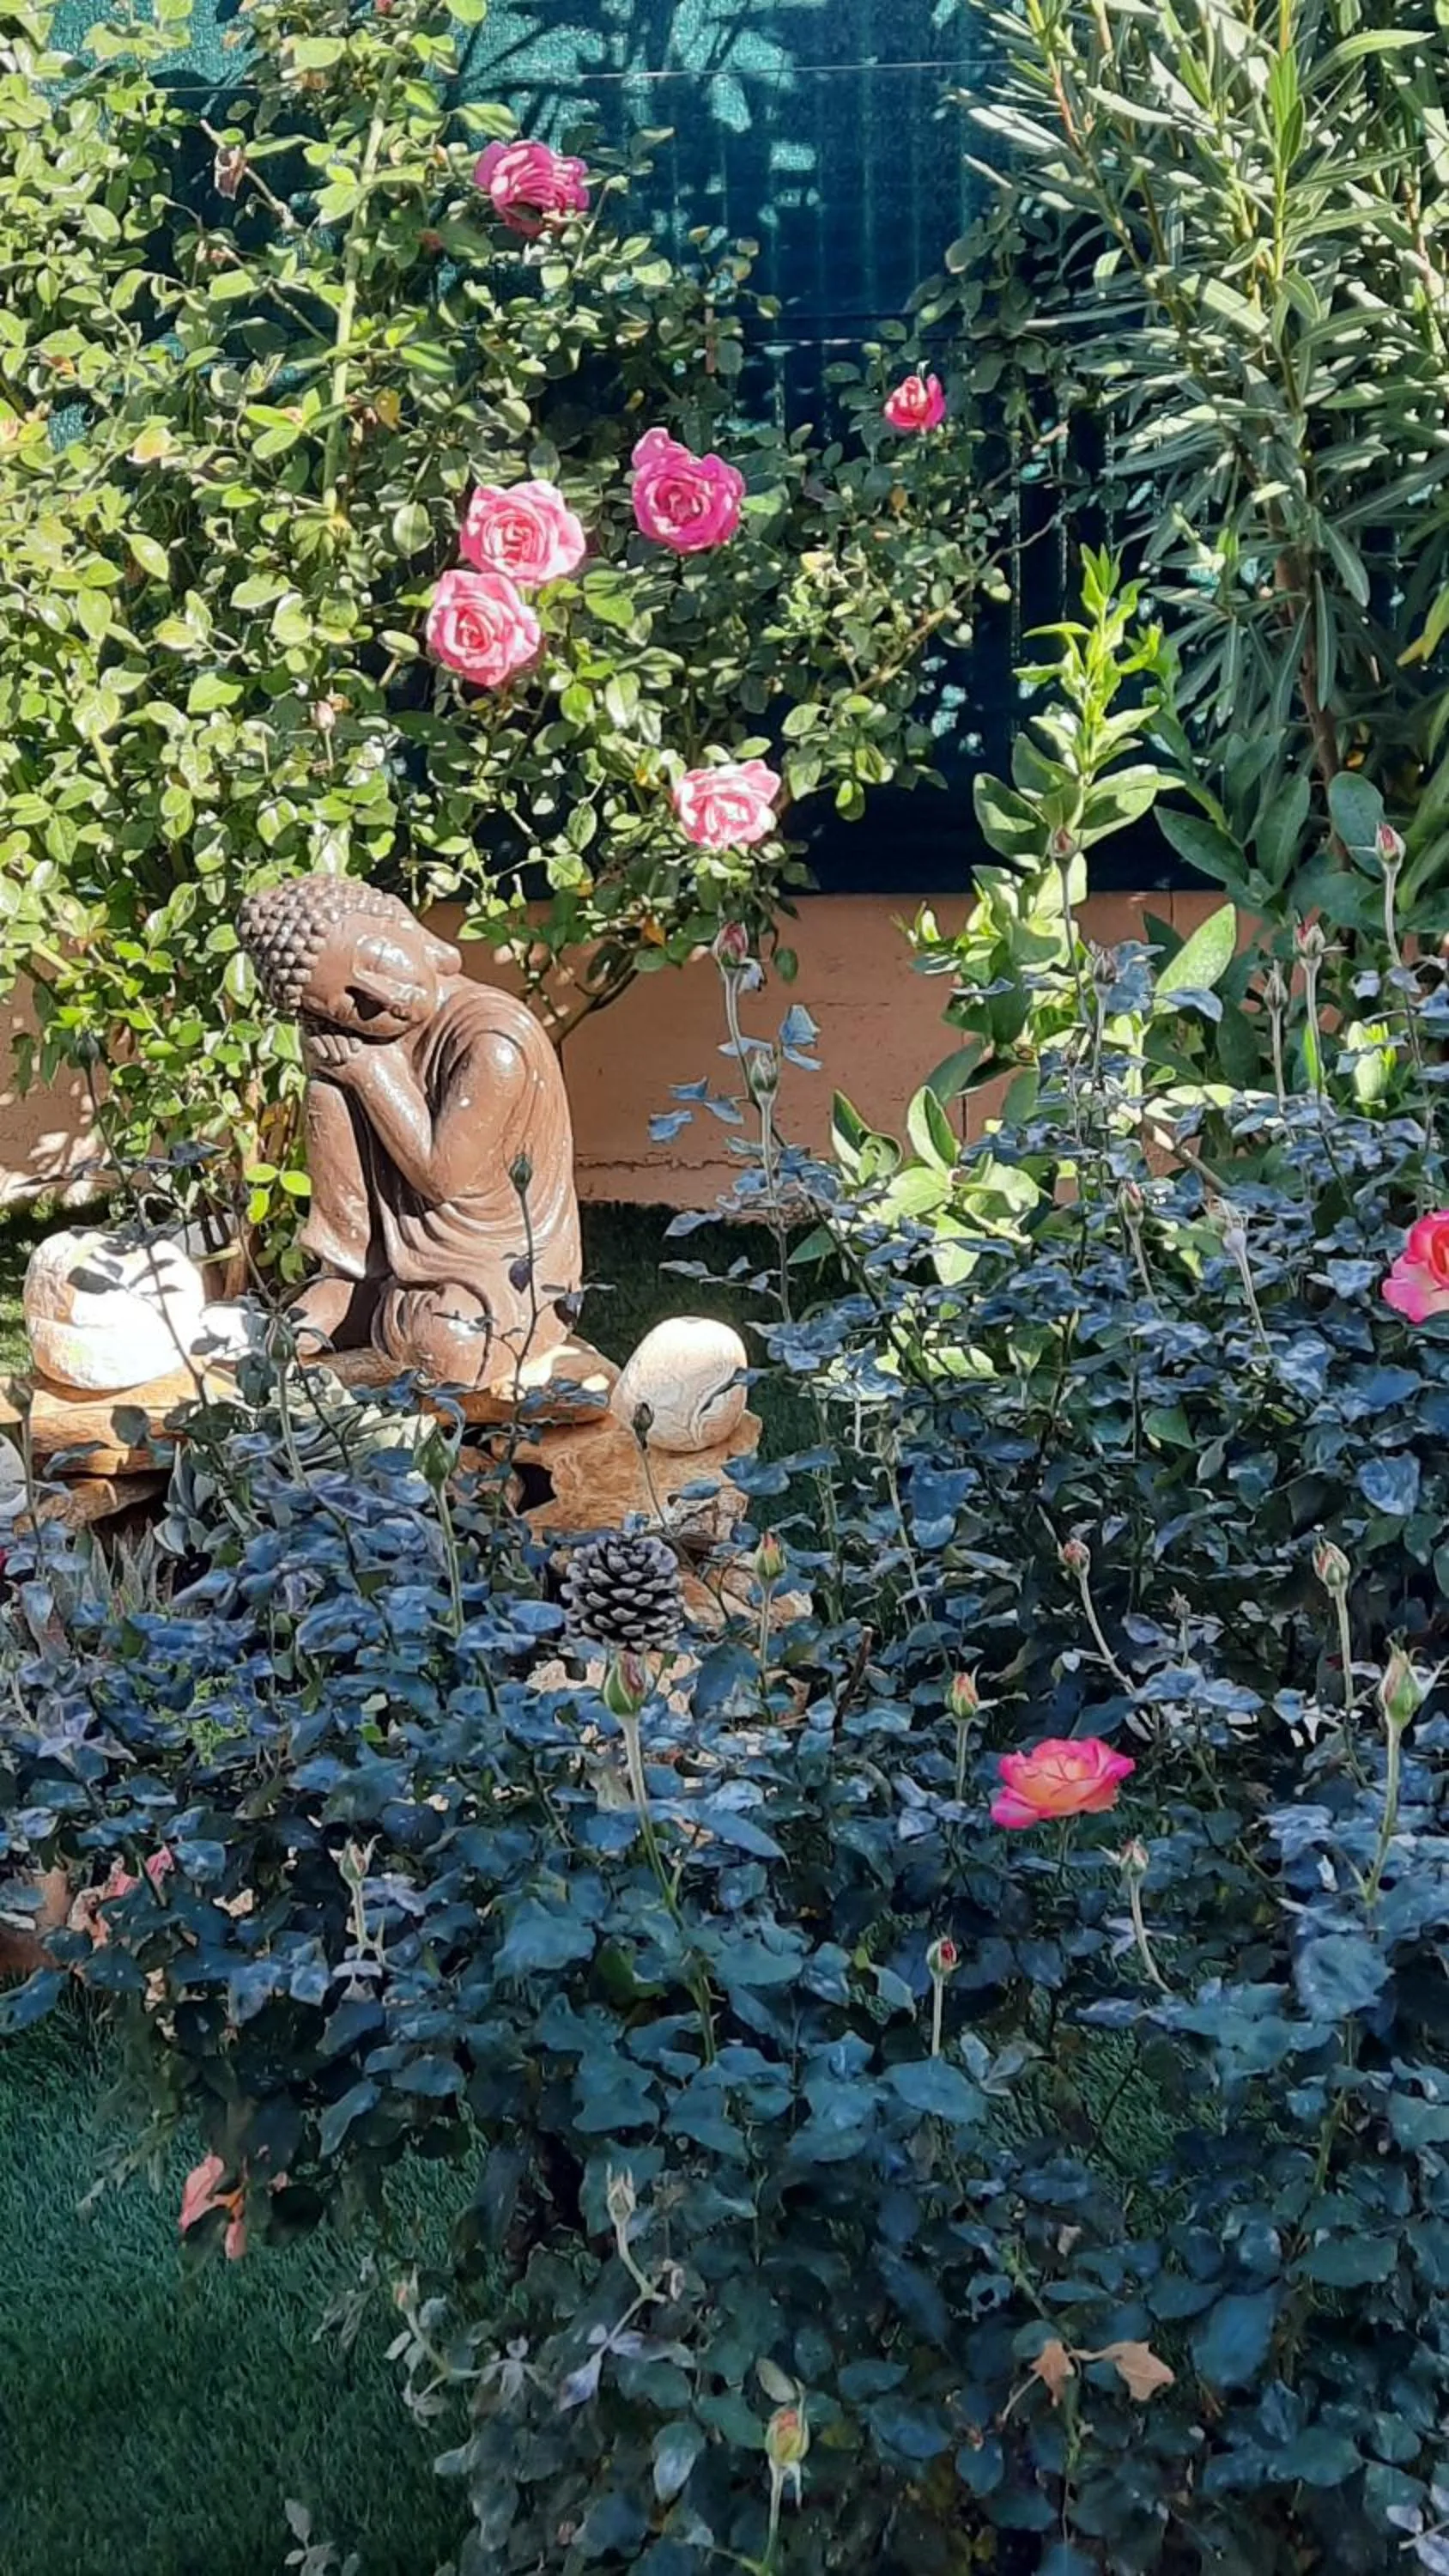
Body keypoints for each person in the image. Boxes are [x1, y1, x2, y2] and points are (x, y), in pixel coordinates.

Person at [237, 877, 582, 1388]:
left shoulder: (493, 1044)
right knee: (328, 1092)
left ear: (403, 923)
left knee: (443, 1349)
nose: (383, 998)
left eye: (376, 959)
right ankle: (351, 1279)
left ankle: (398, 1307)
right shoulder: (365, 1040)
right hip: (411, 1248)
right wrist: (344, 1070)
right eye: (348, 1005)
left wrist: (371, 1074)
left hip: (502, 1262)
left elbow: (441, 1177)